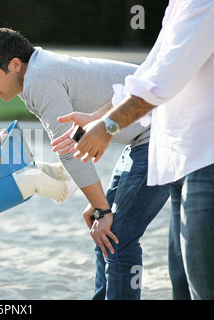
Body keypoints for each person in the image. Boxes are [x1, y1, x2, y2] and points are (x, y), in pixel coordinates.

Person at [0, 28, 169, 300]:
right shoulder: (34, 75)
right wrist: (99, 205)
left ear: (15, 64)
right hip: (143, 137)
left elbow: (68, 151)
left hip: (164, 134)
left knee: (117, 237)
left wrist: (101, 207)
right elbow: (75, 137)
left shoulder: (39, 78)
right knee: (105, 237)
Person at [60, 0, 214, 300]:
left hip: (206, 161)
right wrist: (97, 118)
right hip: (183, 163)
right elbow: (147, 74)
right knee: (184, 284)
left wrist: (108, 127)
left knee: (203, 286)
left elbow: (162, 81)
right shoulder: (180, 4)